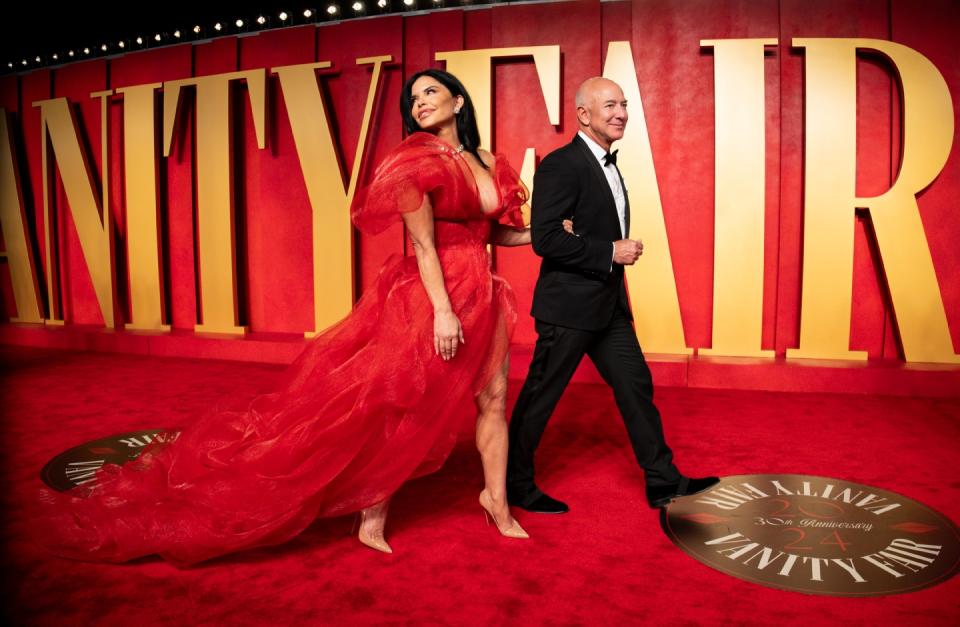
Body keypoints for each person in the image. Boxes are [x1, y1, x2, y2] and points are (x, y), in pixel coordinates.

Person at [31, 69, 531, 567]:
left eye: (431, 93)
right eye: (413, 98)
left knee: (493, 401)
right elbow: (422, 245)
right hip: (430, 294)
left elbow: (496, 234)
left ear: (459, 102)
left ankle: (497, 503)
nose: (420, 102)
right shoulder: (412, 162)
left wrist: (546, 234)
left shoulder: (488, 162)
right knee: (402, 401)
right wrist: (442, 312)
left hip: (483, 292)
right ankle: (372, 509)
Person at [506, 77, 718, 514]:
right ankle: (513, 485)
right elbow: (545, 239)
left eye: (623, 104)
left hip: (608, 306)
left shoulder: (609, 163)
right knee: (540, 398)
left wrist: (609, 253)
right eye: (609, 105)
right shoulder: (561, 165)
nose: (621, 112)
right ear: (583, 115)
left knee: (635, 385)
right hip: (568, 308)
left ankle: (663, 481)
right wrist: (611, 251)